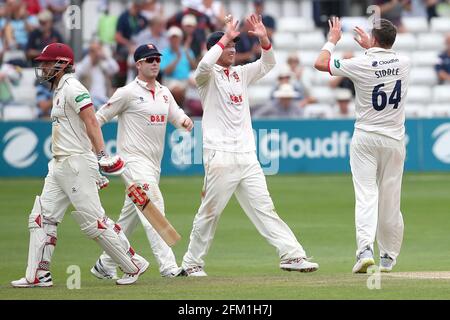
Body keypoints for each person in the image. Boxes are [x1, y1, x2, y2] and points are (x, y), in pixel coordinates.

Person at [180, 14, 319, 277]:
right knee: (210, 212)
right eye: (229, 46)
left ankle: (291, 255)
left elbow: (268, 63)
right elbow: (202, 66)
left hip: (247, 155)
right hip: (220, 154)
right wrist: (223, 39)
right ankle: (191, 262)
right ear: (216, 48)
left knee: (265, 208)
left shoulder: (241, 74)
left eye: (235, 46)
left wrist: (264, 38)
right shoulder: (207, 78)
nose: (233, 50)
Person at [10, 43, 149, 287]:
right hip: (59, 165)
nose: (42, 67)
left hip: (77, 164)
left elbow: (91, 122)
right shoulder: (59, 89)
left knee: (93, 222)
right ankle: (38, 275)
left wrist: (101, 155)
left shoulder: (74, 88)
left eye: (47, 62)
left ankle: (133, 263)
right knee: (42, 218)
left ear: (62, 64)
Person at [314, 17, 411, 273]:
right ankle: (388, 257)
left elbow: (320, 63)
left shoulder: (361, 63)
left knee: (367, 194)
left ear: (375, 39)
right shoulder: (405, 62)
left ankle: (365, 250)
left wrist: (332, 40)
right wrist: (372, 47)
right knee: (390, 199)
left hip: (366, 138)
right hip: (394, 140)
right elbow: (382, 60)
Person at [91, 43, 194, 279]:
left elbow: (176, 116)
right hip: (132, 163)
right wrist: (99, 152)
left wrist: (185, 122)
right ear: (138, 64)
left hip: (153, 164)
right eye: (150, 60)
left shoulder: (164, 92)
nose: (155, 63)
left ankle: (105, 263)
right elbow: (97, 119)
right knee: (153, 206)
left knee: (129, 218)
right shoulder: (126, 92)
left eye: (157, 59)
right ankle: (168, 267)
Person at [75, 40, 119, 108]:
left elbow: (116, 69)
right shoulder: (83, 66)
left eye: (98, 50)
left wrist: (105, 56)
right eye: (93, 51)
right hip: (88, 101)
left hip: (104, 99)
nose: (96, 53)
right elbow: (80, 70)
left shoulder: (102, 66)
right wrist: (91, 56)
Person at [160, 26, 197, 106]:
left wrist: (187, 53)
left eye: (176, 38)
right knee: (177, 91)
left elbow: (194, 67)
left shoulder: (186, 50)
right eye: (172, 38)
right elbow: (166, 71)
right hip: (171, 80)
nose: (174, 40)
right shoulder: (164, 53)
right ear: (169, 39)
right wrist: (177, 58)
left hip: (186, 80)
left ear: (180, 39)